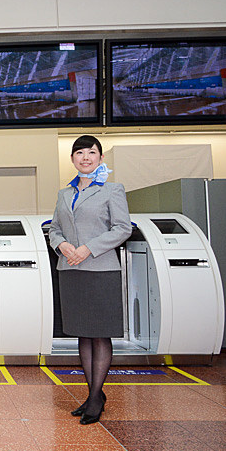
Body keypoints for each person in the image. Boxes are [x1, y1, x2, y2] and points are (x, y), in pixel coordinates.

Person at [48, 135, 132, 425]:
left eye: (92, 152)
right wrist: (62, 245)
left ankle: (96, 397)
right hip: (70, 269)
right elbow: (54, 229)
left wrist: (88, 248)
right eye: (80, 153)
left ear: (100, 158)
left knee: (100, 333)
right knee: (83, 333)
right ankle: (92, 393)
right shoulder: (63, 194)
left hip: (100, 269)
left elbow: (123, 229)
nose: (85, 157)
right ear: (72, 159)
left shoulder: (112, 190)